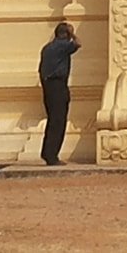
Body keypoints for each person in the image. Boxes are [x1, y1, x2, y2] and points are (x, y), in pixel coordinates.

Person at [38, 20, 81, 165]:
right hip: (58, 85)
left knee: (52, 120)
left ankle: (47, 152)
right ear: (66, 34)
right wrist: (73, 34)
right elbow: (77, 44)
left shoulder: (46, 48)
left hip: (47, 86)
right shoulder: (63, 46)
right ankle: (52, 155)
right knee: (59, 121)